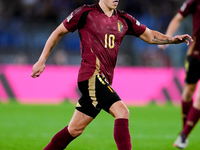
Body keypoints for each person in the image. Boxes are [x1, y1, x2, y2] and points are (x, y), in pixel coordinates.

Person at [31, 0, 193, 150]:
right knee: (122, 112)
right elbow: (58, 32)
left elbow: (150, 35)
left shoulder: (124, 19)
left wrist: (172, 40)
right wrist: (41, 60)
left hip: (104, 79)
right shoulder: (85, 13)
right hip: (91, 76)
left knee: (74, 129)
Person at [158, 0, 200, 149]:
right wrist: (167, 37)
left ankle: (183, 135)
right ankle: (185, 132)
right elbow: (178, 18)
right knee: (188, 93)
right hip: (195, 55)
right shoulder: (193, 2)